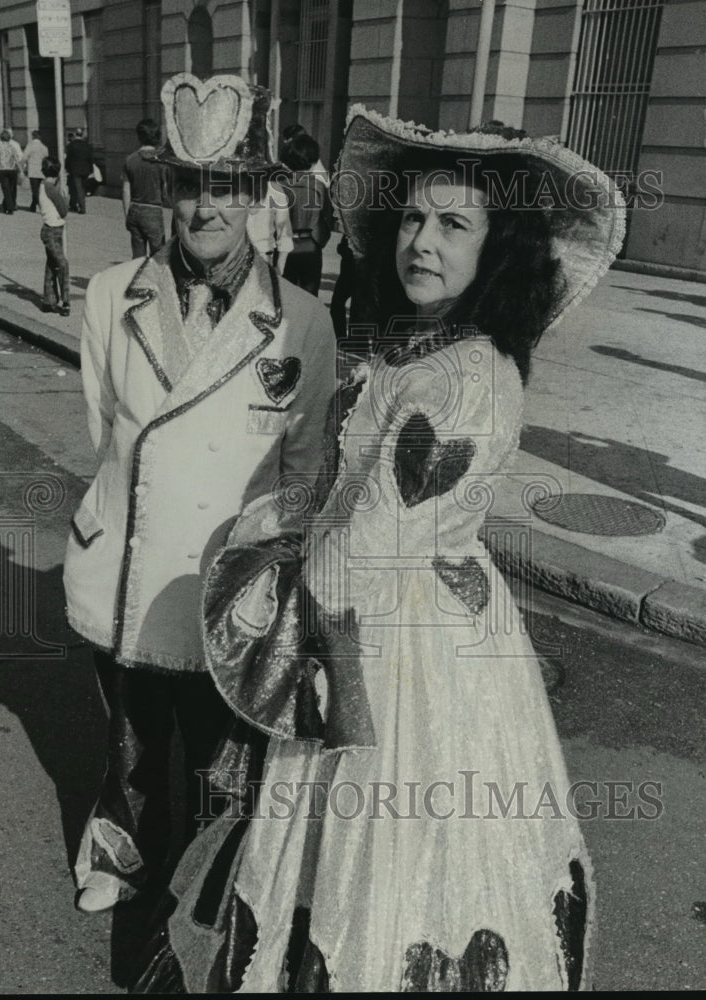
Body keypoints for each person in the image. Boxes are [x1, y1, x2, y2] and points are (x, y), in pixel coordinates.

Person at [136, 109, 627, 992]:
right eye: (412, 217)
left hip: (397, 646)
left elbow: (360, 548)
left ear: (498, 246)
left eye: (453, 224)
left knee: (398, 855)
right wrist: (287, 522)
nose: (422, 242)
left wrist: (264, 585)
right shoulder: (417, 350)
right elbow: (338, 489)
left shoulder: (467, 376)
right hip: (383, 620)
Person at [63, 72, 337, 917]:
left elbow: (303, 473)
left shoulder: (302, 321)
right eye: (190, 188)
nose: (205, 209)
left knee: (223, 752)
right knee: (133, 738)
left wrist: (274, 585)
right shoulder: (111, 296)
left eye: (226, 188)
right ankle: (120, 844)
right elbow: (104, 424)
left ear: (256, 196)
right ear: (168, 193)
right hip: (129, 571)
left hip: (229, 587)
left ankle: (214, 873)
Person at [278, 132, 334, 296]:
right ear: (314, 160)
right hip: (310, 244)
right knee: (310, 296)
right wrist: (319, 242)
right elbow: (326, 220)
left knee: (285, 296)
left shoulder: (279, 184)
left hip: (284, 245)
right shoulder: (319, 187)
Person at [121, 118, 169, 258]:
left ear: (139, 136)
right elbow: (166, 191)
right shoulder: (161, 161)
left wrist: (127, 215)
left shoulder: (130, 160)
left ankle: (138, 278)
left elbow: (125, 190)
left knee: (137, 257)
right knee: (158, 255)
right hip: (153, 210)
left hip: (134, 209)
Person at [37, 156, 71, 316]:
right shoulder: (51, 188)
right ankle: (65, 301)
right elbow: (64, 210)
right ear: (57, 172)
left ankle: (48, 301)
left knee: (52, 265)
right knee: (63, 264)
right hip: (54, 230)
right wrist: (66, 197)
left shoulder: (43, 185)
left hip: (49, 229)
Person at [246, 179, 294, 272]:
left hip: (264, 257)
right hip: (234, 260)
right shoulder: (232, 188)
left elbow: (284, 232)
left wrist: (280, 267)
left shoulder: (275, 191)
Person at [0, 128, 23, 214]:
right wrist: (20, 170)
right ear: (9, 138)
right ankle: (7, 205)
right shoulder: (12, 146)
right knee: (11, 189)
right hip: (12, 171)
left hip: (2, 170)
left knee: (6, 189)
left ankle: (9, 208)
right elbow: (16, 159)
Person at [65, 125, 94, 214]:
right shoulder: (87, 145)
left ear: (75, 134)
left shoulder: (71, 145)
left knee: (78, 188)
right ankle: (73, 204)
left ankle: (82, 207)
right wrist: (91, 170)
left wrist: (67, 168)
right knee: (80, 188)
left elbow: (68, 158)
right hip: (85, 170)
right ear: (82, 134)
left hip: (75, 170)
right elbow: (91, 158)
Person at [22, 130, 50, 211]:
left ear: (33, 136)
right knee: (39, 189)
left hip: (33, 170)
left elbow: (24, 157)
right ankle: (33, 205)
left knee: (34, 190)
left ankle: (39, 205)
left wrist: (23, 167)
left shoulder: (30, 146)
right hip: (42, 171)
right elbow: (46, 159)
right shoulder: (44, 147)